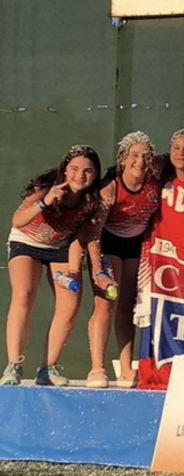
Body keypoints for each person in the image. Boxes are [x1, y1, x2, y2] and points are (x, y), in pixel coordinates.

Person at [1, 145, 113, 386]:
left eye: (87, 171)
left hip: (60, 247)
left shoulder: (92, 201)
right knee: (24, 294)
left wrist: (73, 270)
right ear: (65, 170)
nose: (80, 176)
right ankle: (14, 365)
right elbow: (17, 219)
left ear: (95, 174)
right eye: (74, 169)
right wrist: (45, 202)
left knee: (70, 304)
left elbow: (80, 238)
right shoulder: (45, 187)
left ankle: (47, 368)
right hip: (25, 240)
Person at [84, 132, 162, 389]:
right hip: (108, 245)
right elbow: (93, 232)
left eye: (145, 156)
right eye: (134, 155)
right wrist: (97, 269)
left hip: (136, 246)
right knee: (107, 302)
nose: (140, 161)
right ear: (123, 159)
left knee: (128, 306)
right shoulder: (111, 189)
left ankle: (126, 368)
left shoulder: (155, 183)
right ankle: (97, 367)